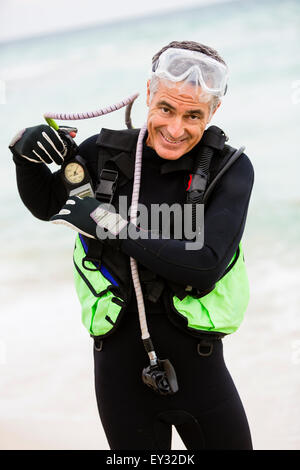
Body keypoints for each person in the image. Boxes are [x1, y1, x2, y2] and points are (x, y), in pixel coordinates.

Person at [9, 40, 254, 450]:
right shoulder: (104, 155)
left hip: (200, 373)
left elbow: (205, 264)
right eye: (165, 109)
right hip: (119, 376)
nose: (176, 129)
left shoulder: (229, 170)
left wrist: (108, 221)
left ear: (213, 113)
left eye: (193, 115)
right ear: (148, 94)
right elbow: (49, 205)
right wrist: (25, 157)